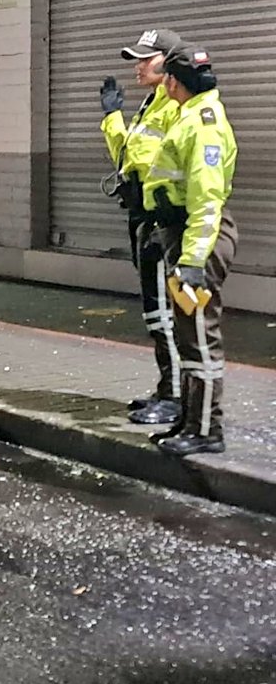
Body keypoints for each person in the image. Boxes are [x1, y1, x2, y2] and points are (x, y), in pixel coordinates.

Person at [142, 42, 238, 456]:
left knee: (199, 337)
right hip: (182, 234)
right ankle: (190, 421)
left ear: (173, 81)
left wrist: (193, 261)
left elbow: (207, 199)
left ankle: (206, 431)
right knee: (188, 336)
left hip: (197, 239)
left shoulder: (203, 124)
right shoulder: (191, 114)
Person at [99, 28, 184, 426]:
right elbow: (126, 159)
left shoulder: (177, 105)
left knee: (167, 313)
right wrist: (112, 118)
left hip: (163, 220)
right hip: (144, 218)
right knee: (155, 311)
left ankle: (177, 397)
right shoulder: (151, 104)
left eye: (146, 59)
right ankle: (167, 389)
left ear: (170, 63)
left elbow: (159, 163)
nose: (138, 67)